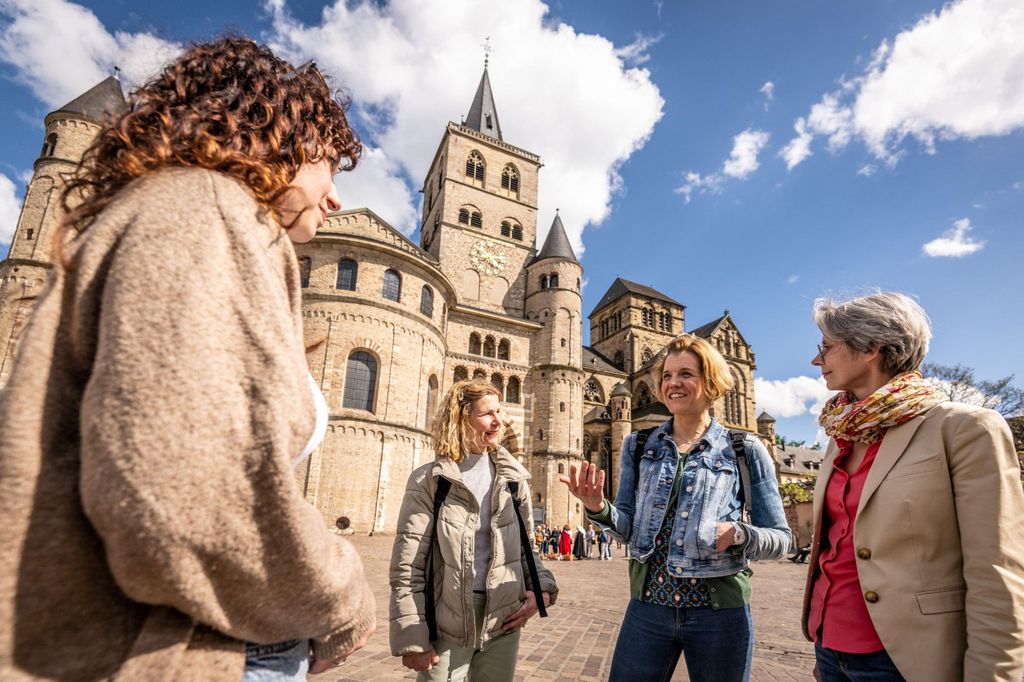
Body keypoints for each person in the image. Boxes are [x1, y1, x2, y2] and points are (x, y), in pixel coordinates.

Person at [0, 38, 376, 681]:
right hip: (181, 645)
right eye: (327, 165)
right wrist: (342, 596)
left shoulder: (193, 215)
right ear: (273, 138)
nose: (335, 198)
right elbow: (181, 494)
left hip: (198, 634)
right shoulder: (204, 211)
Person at [802, 292, 1024, 681]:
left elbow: (997, 570)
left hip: (907, 657)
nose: (816, 360)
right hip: (831, 648)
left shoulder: (965, 428)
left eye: (826, 347)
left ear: (870, 347)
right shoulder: (841, 433)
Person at [562, 333, 791, 682]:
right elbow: (627, 527)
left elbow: (781, 538)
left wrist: (740, 533)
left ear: (711, 382)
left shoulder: (745, 449)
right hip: (648, 608)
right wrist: (599, 508)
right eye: (667, 376)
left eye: (686, 374)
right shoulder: (638, 445)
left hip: (720, 613)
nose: (673, 383)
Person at [390, 380, 557, 681]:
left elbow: (526, 548)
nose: (498, 421)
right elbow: (408, 565)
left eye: (499, 412)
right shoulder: (428, 481)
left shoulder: (514, 479)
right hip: (446, 620)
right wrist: (413, 636)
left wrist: (542, 589)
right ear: (460, 416)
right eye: (487, 414)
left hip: (504, 617)